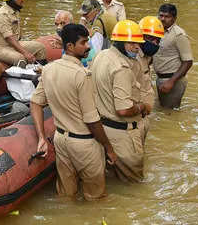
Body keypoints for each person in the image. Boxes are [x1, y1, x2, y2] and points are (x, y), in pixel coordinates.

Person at [31, 24, 117, 201]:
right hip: (84, 143)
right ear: (70, 46)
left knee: (65, 194)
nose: (88, 46)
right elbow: (92, 120)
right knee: (96, 197)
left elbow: (35, 102)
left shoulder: (48, 69)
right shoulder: (82, 75)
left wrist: (41, 137)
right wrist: (109, 148)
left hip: (61, 140)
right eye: (84, 42)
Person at [91, 20, 149, 183]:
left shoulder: (101, 55)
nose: (137, 47)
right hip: (121, 135)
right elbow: (123, 110)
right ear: (120, 42)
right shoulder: (121, 68)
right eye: (132, 43)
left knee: (113, 180)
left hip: (103, 130)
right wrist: (142, 106)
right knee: (135, 184)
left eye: (138, 43)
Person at [0, 0, 46, 66]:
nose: (23, 0)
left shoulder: (15, 11)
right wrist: (25, 53)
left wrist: (23, 48)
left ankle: (41, 71)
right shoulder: (2, 15)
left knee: (40, 47)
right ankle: (24, 76)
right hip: (0, 48)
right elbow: (9, 38)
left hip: (14, 44)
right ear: (11, 1)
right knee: (20, 59)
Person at [152, 4, 193, 109]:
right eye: (160, 16)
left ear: (174, 18)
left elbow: (188, 62)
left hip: (173, 80)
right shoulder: (157, 31)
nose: (162, 19)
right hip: (161, 78)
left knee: (170, 113)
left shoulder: (179, 35)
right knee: (163, 111)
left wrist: (171, 82)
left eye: (167, 16)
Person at [136, 16, 165, 142]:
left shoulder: (147, 56)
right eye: (151, 39)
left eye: (157, 40)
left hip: (143, 113)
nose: (155, 44)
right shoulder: (133, 59)